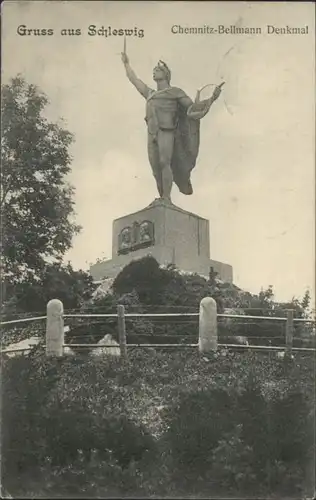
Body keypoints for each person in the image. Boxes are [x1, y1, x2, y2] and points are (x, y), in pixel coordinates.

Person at [121, 52, 223, 203]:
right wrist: (126, 64)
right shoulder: (150, 93)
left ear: (166, 74)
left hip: (166, 131)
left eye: (157, 69)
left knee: (164, 162)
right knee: (155, 169)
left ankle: (166, 198)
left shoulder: (176, 92)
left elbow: (192, 108)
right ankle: (162, 198)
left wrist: (212, 98)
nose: (154, 71)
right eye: (154, 70)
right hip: (152, 133)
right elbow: (134, 80)